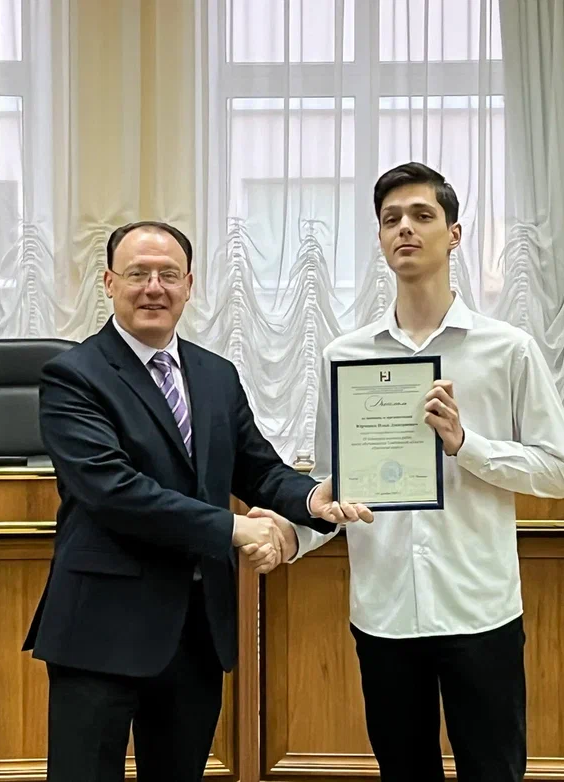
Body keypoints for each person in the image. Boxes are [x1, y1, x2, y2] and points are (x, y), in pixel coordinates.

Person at [22, 220, 372, 782]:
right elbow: (114, 491)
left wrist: (313, 497)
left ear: (189, 285)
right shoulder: (73, 375)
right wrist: (234, 529)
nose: (153, 288)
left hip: (196, 628)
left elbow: (257, 468)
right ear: (109, 283)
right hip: (101, 627)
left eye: (168, 275)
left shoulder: (216, 375)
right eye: (137, 274)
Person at [278, 163, 564, 782]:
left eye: (422, 216)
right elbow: (336, 485)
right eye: (391, 219)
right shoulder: (345, 356)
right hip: (384, 609)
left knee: (494, 771)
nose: (405, 229)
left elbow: (559, 471)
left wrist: (466, 444)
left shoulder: (507, 348)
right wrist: (291, 534)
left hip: (479, 608)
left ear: (455, 234)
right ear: (380, 238)